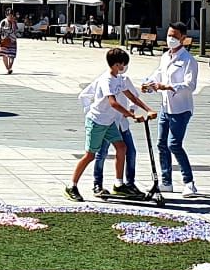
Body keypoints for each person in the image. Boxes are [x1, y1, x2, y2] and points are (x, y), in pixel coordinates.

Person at [65, 47, 153, 202]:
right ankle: (71, 186)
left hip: (110, 122)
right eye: (122, 64)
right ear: (115, 64)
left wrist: (148, 109)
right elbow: (113, 103)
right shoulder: (106, 80)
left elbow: (131, 96)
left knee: (122, 147)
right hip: (97, 122)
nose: (124, 67)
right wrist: (132, 115)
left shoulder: (118, 78)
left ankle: (119, 184)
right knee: (90, 155)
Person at [142, 22, 198, 197]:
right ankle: (166, 181)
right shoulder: (166, 56)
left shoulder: (188, 60)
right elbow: (158, 74)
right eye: (169, 35)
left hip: (181, 108)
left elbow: (190, 85)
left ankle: (189, 182)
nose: (170, 39)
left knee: (174, 144)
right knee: (161, 144)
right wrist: (149, 85)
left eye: (174, 36)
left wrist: (168, 86)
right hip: (166, 107)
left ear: (183, 38)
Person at [0, 10, 19, 75]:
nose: (11, 17)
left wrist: (13, 23)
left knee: (12, 55)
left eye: (12, 15)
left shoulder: (14, 22)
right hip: (4, 40)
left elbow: (16, 31)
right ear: (6, 15)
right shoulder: (3, 22)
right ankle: (8, 68)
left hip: (12, 41)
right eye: (9, 15)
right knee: (4, 55)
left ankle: (10, 67)